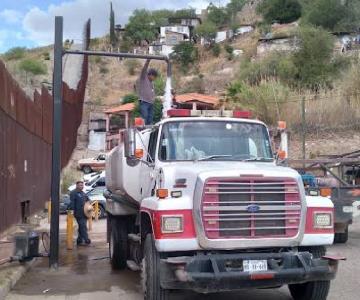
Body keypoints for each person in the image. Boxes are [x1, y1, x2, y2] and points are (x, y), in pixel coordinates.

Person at [136, 59, 159, 125]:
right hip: (144, 102)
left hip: (151, 103)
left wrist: (155, 98)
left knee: (150, 118)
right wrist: (148, 60)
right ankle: (142, 130)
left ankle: (149, 132)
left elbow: (152, 92)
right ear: (150, 75)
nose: (154, 78)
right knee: (144, 116)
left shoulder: (152, 83)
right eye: (154, 77)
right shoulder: (143, 78)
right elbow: (144, 69)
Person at [69, 181, 91, 246]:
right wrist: (72, 212)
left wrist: (89, 206)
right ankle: (86, 239)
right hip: (78, 213)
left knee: (81, 227)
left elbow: (88, 200)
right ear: (77, 185)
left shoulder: (83, 193)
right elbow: (72, 203)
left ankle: (79, 240)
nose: (82, 186)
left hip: (85, 213)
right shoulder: (73, 193)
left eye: (82, 185)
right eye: (80, 185)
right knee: (83, 226)